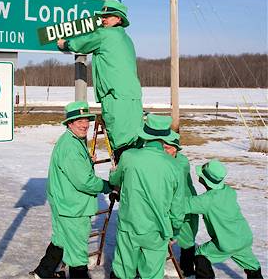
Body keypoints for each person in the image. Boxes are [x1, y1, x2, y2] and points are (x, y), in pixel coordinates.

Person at [30, 101, 112, 279]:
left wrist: (86, 162)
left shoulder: (71, 140)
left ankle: (42, 273)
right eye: (79, 121)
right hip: (74, 207)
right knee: (77, 255)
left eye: (86, 120)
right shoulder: (71, 147)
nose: (84, 125)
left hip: (63, 203)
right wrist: (108, 186)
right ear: (69, 123)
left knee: (61, 240)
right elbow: (85, 182)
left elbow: (73, 171)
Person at [57, 0, 143, 162]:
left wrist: (64, 43)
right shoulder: (127, 39)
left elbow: (82, 43)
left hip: (115, 96)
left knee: (121, 146)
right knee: (135, 143)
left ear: (119, 19)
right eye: (102, 16)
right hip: (133, 98)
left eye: (108, 16)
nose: (103, 19)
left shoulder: (105, 34)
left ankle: (123, 184)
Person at [108, 114, 185, 279]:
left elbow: (114, 179)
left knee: (123, 272)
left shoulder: (128, 157)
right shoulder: (175, 166)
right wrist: (175, 230)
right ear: (164, 138)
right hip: (158, 230)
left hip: (130, 226)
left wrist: (114, 171)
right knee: (152, 275)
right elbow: (178, 206)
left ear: (145, 134)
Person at [186, 159, 263, 279]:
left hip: (226, 242)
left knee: (201, 254)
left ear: (205, 180)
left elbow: (182, 206)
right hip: (243, 238)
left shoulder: (206, 200)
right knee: (252, 266)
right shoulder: (229, 191)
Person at [163, 138, 199, 277]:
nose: (164, 151)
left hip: (185, 199)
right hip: (178, 199)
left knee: (187, 234)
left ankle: (187, 268)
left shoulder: (181, 162)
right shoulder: (171, 159)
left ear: (175, 149)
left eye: (167, 148)